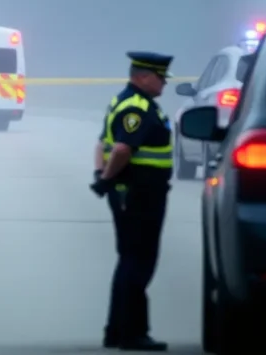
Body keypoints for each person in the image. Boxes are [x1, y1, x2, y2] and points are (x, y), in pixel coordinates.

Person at [90, 51, 174, 352]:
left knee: (129, 259)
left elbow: (102, 142)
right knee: (139, 261)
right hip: (140, 194)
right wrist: (107, 178)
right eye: (160, 77)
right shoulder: (137, 107)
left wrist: (102, 175)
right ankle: (132, 333)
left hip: (133, 192)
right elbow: (122, 149)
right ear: (141, 77)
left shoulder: (124, 101)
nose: (164, 82)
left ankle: (116, 330)